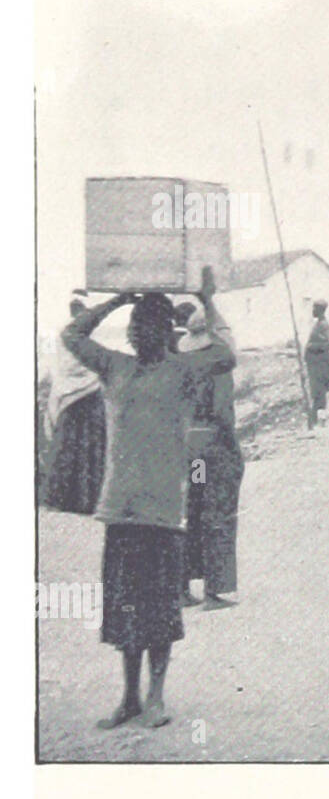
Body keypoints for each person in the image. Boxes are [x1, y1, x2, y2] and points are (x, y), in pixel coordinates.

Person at [61, 272, 235, 730]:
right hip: (120, 508)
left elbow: (224, 355)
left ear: (166, 333)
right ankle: (129, 698)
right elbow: (71, 334)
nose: (140, 333)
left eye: (148, 326)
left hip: (162, 512)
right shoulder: (114, 366)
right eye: (136, 326)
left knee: (158, 611)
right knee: (124, 611)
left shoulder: (182, 370)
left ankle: (156, 698)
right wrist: (117, 301)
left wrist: (206, 300)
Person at [178, 300, 243, 610]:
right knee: (217, 512)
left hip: (193, 449)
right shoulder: (217, 364)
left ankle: (183, 586)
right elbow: (221, 411)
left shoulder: (183, 362)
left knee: (194, 508)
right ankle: (215, 590)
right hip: (214, 446)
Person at [41, 298, 107, 515]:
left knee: (70, 447)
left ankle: (64, 499)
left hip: (69, 396)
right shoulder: (83, 336)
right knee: (86, 448)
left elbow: (59, 367)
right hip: (87, 394)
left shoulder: (65, 334)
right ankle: (83, 500)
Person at [304, 300, 329, 422]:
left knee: (319, 390)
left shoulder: (323, 324)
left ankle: (319, 417)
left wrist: (312, 347)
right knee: (316, 389)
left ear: (320, 310)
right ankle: (317, 416)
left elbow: (328, 343)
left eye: (315, 308)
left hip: (320, 362)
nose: (312, 311)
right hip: (314, 362)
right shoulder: (318, 324)